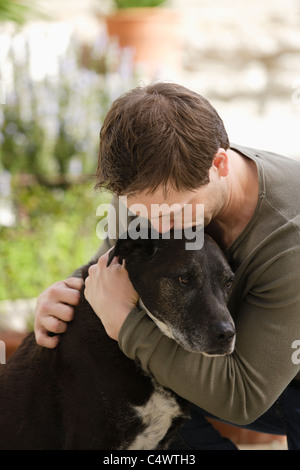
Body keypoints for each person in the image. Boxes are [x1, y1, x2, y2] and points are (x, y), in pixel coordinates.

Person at [34, 82, 300, 450]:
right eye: (143, 213)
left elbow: (244, 399)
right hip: (219, 357)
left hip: (281, 381)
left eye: (177, 212)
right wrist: (66, 296)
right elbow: (112, 270)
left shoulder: (291, 237)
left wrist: (127, 326)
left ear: (218, 165)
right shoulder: (149, 191)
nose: (161, 229)